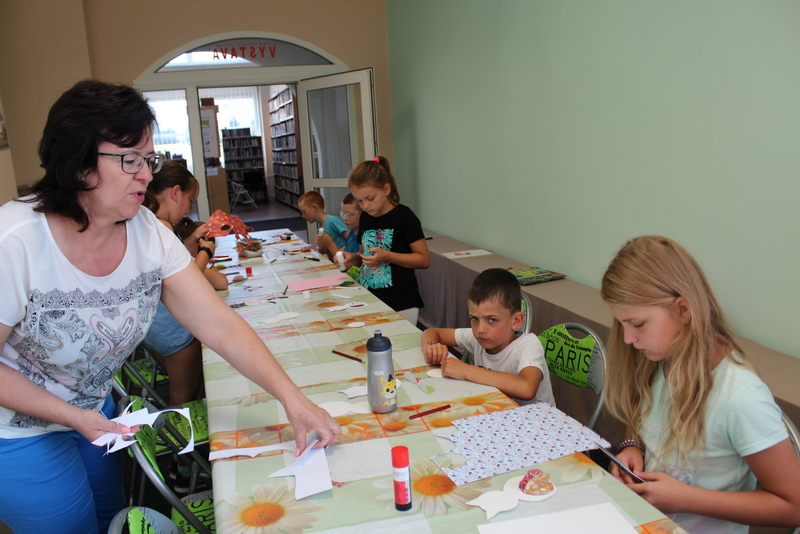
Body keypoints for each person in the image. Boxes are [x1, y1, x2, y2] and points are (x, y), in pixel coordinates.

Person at [0, 79, 339, 534]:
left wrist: (291, 398)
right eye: (130, 160)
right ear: (77, 161)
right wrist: (71, 416)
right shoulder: (15, 240)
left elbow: (218, 323)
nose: (145, 175)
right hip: (15, 429)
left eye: (149, 159)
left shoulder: (147, 232)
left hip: (91, 411)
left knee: (110, 515)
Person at [601, 235, 800, 533]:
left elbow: (793, 506)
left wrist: (685, 499)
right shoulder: (659, 360)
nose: (628, 338)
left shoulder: (741, 396)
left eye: (638, 324)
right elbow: (646, 420)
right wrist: (633, 447)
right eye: (622, 324)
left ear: (683, 310)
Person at [142, 160, 227, 407]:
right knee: (182, 399)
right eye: (190, 199)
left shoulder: (149, 222)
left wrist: (189, 243)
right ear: (175, 192)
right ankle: (181, 433)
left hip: (156, 327)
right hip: (174, 330)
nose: (189, 208)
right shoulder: (162, 229)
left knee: (194, 386)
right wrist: (206, 252)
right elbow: (187, 281)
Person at [421, 268, 554, 406]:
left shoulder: (528, 345)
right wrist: (431, 347)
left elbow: (527, 388)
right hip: (496, 409)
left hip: (536, 418)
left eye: (492, 320)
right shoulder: (478, 337)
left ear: (516, 321)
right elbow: (431, 332)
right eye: (474, 319)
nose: (480, 329)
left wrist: (466, 370)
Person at [347, 156, 430, 324]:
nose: (365, 206)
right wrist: (353, 258)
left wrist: (387, 256)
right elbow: (364, 256)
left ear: (386, 189)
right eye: (359, 200)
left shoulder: (404, 217)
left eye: (370, 198)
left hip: (401, 302)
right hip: (370, 297)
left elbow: (423, 260)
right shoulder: (365, 218)